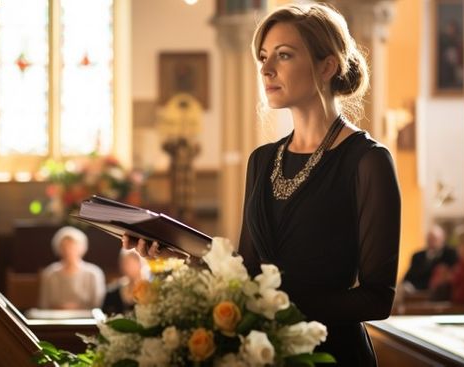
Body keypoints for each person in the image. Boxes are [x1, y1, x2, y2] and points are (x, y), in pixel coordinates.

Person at [124, 3, 401, 366]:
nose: (266, 70)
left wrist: (269, 304)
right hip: (263, 353)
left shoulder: (368, 161)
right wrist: (179, 255)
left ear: (327, 66)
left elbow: (377, 299)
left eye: (283, 55)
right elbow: (247, 271)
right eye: (263, 57)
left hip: (333, 354)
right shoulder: (262, 160)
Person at [39, 226, 106, 310]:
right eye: (64, 246)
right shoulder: (50, 273)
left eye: (72, 246)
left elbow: (99, 304)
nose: (68, 250)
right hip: (56, 320)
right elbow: (44, 304)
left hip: (86, 320)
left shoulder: (94, 273)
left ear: (82, 247)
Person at [402, 223, 458, 293]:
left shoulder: (450, 254)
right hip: (416, 293)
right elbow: (408, 277)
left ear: (442, 239)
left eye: (434, 239)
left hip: (439, 294)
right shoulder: (418, 256)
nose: (431, 241)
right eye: (429, 239)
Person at [101, 249, 151, 315]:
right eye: (126, 263)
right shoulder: (113, 292)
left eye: (133, 262)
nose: (129, 267)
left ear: (141, 263)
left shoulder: (150, 291)